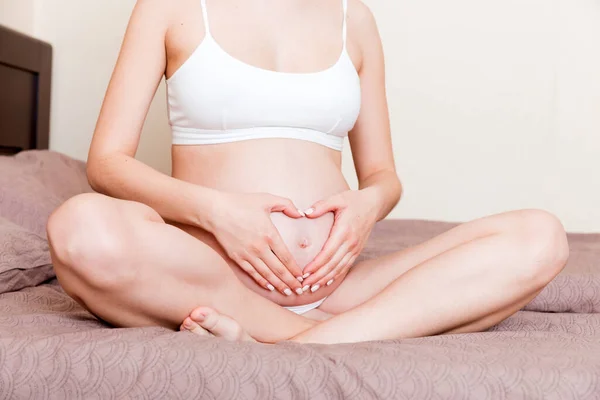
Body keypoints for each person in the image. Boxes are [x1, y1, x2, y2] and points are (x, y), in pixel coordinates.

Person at [46, 0, 569, 344]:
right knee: (78, 229)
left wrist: (369, 207)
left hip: (335, 285)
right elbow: (107, 163)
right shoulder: (172, 7)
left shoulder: (353, 18)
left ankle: (293, 343)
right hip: (212, 277)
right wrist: (216, 211)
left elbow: (383, 175)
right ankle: (347, 334)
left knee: (540, 237)